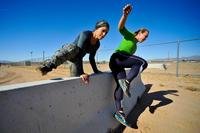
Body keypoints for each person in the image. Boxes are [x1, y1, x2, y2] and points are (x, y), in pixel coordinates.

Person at [109, 4, 149, 125]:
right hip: (118, 57)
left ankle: (119, 112)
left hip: (116, 64)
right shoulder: (130, 35)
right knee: (143, 62)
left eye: (146, 38)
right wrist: (125, 15)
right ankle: (127, 82)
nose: (145, 39)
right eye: (145, 36)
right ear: (139, 33)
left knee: (120, 87)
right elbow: (120, 28)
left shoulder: (135, 46)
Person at [37, 20, 109, 83]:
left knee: (76, 79)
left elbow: (91, 58)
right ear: (96, 28)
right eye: (103, 31)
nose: (104, 34)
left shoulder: (97, 44)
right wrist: (82, 72)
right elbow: (79, 53)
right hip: (69, 52)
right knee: (74, 48)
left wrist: (96, 71)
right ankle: (48, 66)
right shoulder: (86, 34)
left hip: (76, 60)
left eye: (106, 33)